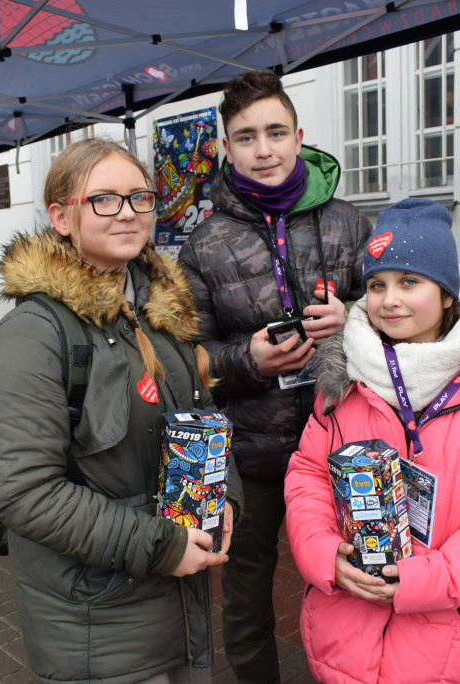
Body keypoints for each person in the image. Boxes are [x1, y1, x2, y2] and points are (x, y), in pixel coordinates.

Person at [0, 137, 242, 683]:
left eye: (139, 198)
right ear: (61, 216)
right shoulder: (35, 333)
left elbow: (203, 414)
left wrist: (225, 498)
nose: (127, 213)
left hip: (175, 601)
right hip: (97, 622)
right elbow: (26, 493)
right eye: (104, 199)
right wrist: (163, 546)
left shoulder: (160, 311)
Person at [284, 198, 460, 684]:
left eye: (410, 281)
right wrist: (321, 552)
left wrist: (428, 580)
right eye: (376, 284)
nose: (389, 299)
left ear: (447, 294)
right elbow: (307, 473)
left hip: (445, 637)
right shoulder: (343, 383)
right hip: (345, 627)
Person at [178, 69, 372, 682]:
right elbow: (190, 360)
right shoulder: (203, 245)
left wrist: (355, 320)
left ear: (298, 136)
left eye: (275, 132)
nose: (263, 150)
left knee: (360, 580)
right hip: (251, 455)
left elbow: (406, 319)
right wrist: (249, 361)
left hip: (347, 445)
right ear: (226, 147)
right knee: (246, 595)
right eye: (246, 137)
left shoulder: (350, 222)